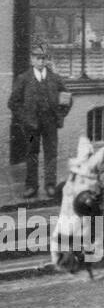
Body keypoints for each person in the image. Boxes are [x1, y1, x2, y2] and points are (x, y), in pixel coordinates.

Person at [8, 41, 71, 199]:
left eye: (43, 58)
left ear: (47, 59)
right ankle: (31, 186)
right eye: (38, 58)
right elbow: (13, 103)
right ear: (32, 59)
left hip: (50, 123)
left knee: (51, 153)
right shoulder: (23, 79)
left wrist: (60, 115)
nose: (41, 61)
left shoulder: (55, 78)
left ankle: (50, 185)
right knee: (31, 153)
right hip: (31, 125)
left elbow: (67, 98)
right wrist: (25, 118)